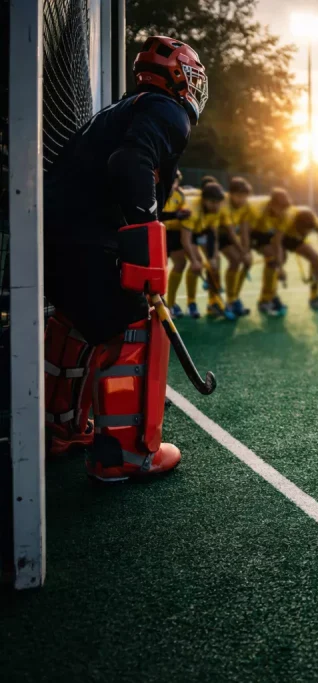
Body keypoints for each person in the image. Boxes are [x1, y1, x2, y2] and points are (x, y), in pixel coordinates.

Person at [42, 36, 207, 481]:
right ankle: (125, 455)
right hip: (92, 242)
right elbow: (130, 162)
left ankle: (59, 429)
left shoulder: (117, 111)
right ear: (181, 79)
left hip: (51, 242)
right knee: (135, 329)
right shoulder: (167, 110)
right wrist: (145, 238)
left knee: (74, 325)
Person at [180, 182, 235, 319]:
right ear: (204, 200)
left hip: (202, 231)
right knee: (197, 263)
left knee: (215, 262)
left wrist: (213, 257)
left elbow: (213, 235)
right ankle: (191, 303)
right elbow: (185, 239)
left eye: (218, 202)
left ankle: (213, 302)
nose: (216, 206)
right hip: (184, 232)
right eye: (212, 202)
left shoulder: (216, 210)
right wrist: (194, 261)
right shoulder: (192, 209)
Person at [163, 170, 203, 319]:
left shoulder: (179, 195)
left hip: (173, 234)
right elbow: (156, 214)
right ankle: (155, 305)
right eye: (171, 180)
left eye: (175, 181)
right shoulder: (157, 193)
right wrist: (175, 215)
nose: (173, 184)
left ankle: (171, 304)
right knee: (159, 269)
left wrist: (184, 213)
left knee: (180, 264)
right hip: (157, 233)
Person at [279, 207, 318, 311]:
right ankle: (268, 299)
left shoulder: (314, 220)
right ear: (296, 224)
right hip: (279, 236)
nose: (306, 233)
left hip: (295, 239)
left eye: (308, 231)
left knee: (315, 259)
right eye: (303, 231)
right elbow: (276, 242)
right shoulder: (286, 218)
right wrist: (280, 267)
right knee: (278, 260)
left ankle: (315, 298)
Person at [249, 188, 292, 316]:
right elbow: (245, 230)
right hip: (250, 231)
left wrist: (281, 268)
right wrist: (245, 250)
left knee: (281, 257)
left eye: (285, 208)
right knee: (272, 257)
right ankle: (265, 300)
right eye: (280, 208)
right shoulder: (257, 209)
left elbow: (277, 242)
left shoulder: (285, 214)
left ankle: (270, 295)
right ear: (272, 204)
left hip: (265, 233)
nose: (283, 211)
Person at [223, 176, 256, 317]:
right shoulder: (224, 204)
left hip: (230, 236)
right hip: (218, 234)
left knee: (248, 261)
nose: (242, 199)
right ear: (231, 194)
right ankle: (227, 301)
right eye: (239, 196)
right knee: (235, 260)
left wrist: (246, 251)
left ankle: (234, 298)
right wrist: (242, 252)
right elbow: (230, 233)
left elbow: (244, 230)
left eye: (245, 196)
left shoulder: (246, 206)